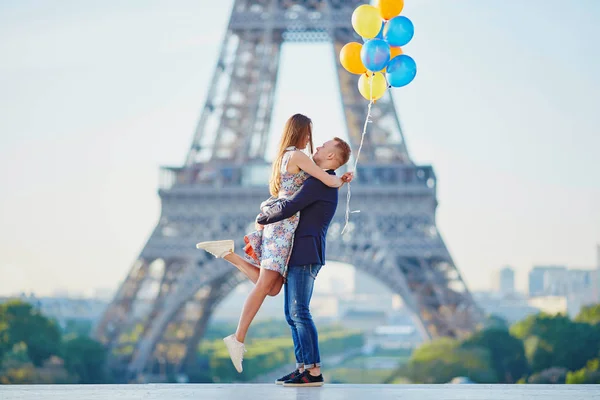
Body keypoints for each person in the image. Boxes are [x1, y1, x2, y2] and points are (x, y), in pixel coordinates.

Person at [196, 114, 353, 373]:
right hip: (282, 225)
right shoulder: (299, 156)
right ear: (301, 132)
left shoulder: (286, 156)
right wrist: (340, 179)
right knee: (269, 290)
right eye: (311, 135)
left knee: (271, 287)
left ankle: (229, 254)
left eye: (322, 144)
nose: (314, 143)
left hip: (282, 225)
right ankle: (238, 339)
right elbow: (325, 180)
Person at [258, 137, 352, 387]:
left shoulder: (319, 183)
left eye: (323, 147)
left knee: (299, 311)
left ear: (332, 157)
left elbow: (291, 205)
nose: (317, 147)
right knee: (292, 314)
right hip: (301, 252)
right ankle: (303, 367)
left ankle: (312, 371)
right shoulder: (325, 181)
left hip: (305, 253)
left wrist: (263, 215)